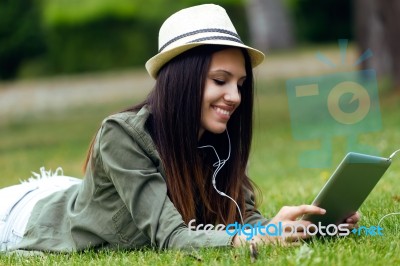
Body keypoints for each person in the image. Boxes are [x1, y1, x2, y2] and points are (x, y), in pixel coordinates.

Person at [0, 4, 359, 252]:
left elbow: (245, 221)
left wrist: (309, 226)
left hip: (83, 194)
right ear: (184, 80)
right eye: (220, 80)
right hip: (25, 215)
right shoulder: (121, 135)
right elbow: (171, 237)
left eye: (240, 84)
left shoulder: (218, 140)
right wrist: (256, 239)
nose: (234, 96)